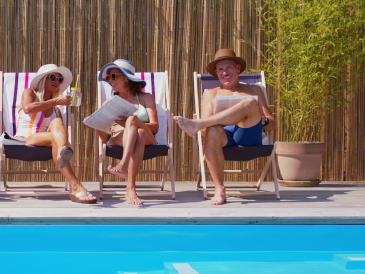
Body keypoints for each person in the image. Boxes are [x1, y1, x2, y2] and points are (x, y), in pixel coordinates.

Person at [173, 49, 275, 205]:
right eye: (220, 69)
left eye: (229, 67)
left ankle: (197, 123)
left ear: (238, 69)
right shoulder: (210, 94)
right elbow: (204, 132)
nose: (225, 72)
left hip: (248, 134)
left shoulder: (254, 89)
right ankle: (219, 189)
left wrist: (261, 119)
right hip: (224, 137)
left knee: (249, 103)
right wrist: (212, 124)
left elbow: (272, 124)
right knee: (211, 130)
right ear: (216, 73)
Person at [14, 64, 97, 204]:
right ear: (42, 80)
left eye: (60, 79)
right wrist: (56, 100)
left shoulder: (56, 109)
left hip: (48, 140)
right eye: (52, 77)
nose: (57, 81)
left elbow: (55, 130)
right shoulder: (30, 93)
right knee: (59, 138)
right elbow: (28, 108)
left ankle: (64, 154)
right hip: (25, 139)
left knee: (57, 123)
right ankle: (76, 185)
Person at [93, 59, 159, 205]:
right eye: (108, 78)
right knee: (138, 133)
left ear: (127, 78)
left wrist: (135, 122)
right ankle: (130, 188)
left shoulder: (146, 98)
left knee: (134, 122)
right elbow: (105, 139)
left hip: (149, 138)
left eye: (114, 76)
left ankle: (123, 165)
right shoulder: (109, 104)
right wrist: (96, 124)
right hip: (119, 138)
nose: (110, 80)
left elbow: (155, 127)